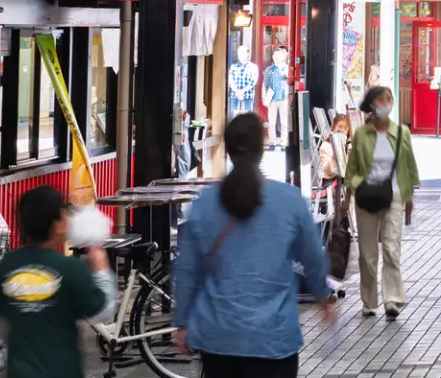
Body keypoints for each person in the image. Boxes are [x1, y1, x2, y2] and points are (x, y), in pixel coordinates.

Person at [173, 113, 335, 375]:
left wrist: (182, 322)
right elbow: (313, 257)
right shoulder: (290, 201)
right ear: (262, 147)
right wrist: (322, 296)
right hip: (273, 339)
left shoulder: (205, 204)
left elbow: (188, 269)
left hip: (218, 338)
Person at [0, 185, 114, 378]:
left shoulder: (8, 265)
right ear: (57, 225)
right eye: (64, 212)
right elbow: (102, 312)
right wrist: (102, 270)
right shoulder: (70, 269)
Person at [342, 85, 417, 320]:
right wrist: (346, 197)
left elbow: (409, 165)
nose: (388, 103)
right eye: (383, 99)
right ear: (373, 105)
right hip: (366, 195)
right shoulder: (362, 134)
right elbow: (352, 166)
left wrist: (409, 197)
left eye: (390, 99)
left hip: (393, 195)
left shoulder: (401, 132)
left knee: (392, 248)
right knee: (367, 253)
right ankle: (369, 300)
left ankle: (392, 299)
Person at [262, 47, 290, 144]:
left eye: (279, 55)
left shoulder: (286, 68)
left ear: (283, 57)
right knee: (272, 122)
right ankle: (272, 142)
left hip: (283, 98)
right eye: (275, 55)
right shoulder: (269, 69)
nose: (276, 57)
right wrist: (264, 96)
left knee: (284, 122)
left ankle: (283, 141)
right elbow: (265, 83)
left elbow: (288, 80)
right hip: (272, 98)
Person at [227, 44, 259, 117]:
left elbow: (253, 82)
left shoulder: (253, 67)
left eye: (242, 52)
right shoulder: (233, 67)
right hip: (234, 96)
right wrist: (237, 91)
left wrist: (241, 91)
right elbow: (230, 81)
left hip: (248, 96)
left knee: (248, 118)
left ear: (247, 54)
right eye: (238, 53)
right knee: (233, 118)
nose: (239, 55)